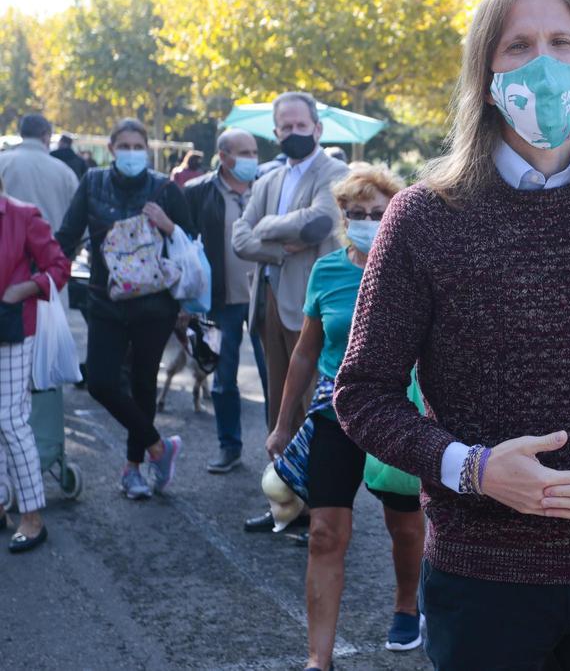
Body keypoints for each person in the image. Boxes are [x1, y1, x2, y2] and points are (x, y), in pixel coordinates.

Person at [333, 0, 570, 667]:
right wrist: (472, 469)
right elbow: (364, 391)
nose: (544, 64)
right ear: (485, 77)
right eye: (519, 47)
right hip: (480, 586)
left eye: (561, 44)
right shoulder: (423, 217)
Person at [261, 166, 424, 670]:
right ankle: (319, 659)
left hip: (397, 415)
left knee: (405, 525)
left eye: (377, 213)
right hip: (336, 411)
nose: (367, 221)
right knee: (326, 533)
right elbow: (306, 354)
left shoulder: (415, 268)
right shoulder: (327, 271)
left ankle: (406, 605)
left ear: (395, 214)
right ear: (342, 217)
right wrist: (284, 424)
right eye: (356, 213)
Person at [55, 118, 193, 500]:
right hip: (106, 299)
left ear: (146, 150)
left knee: (143, 384)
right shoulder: (93, 183)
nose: (132, 152)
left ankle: (133, 470)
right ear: (112, 148)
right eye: (125, 145)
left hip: (154, 305)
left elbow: (190, 242)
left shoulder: (165, 187)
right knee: (100, 381)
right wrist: (40, 270)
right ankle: (158, 448)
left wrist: (167, 226)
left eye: (138, 145)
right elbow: (67, 235)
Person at [233, 92, 349, 533]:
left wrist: (264, 232)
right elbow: (238, 239)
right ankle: (284, 502)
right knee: (278, 409)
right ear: (275, 131)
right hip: (267, 303)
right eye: (286, 127)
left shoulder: (333, 172)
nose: (294, 134)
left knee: (312, 407)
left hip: (310, 307)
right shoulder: (266, 179)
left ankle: (320, 510)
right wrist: (280, 249)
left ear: (317, 129)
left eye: (302, 127)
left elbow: (319, 223)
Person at [182, 128, 269, 474]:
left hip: (265, 297)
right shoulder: (198, 192)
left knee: (273, 379)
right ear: (223, 155)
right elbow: (186, 245)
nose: (250, 158)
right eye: (242, 152)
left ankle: (279, 453)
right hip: (220, 300)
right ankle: (228, 446)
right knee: (223, 378)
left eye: (253, 151)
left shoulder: (267, 185)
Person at [0, 177, 71, 553]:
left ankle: (32, 516)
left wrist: (24, 289)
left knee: (11, 419)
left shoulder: (23, 215)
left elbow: (59, 266)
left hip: (12, 327)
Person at [0, 114, 80, 232]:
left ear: (21, 133)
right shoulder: (64, 172)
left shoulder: (3, 162)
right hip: (52, 244)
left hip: (6, 244)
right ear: (46, 136)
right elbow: (77, 213)